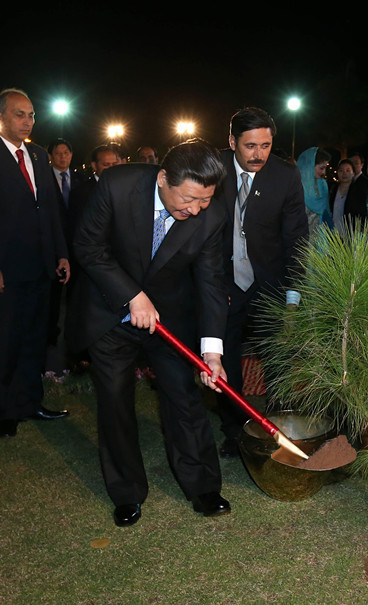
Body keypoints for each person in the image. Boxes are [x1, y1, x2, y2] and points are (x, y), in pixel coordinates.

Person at [68, 139, 231, 526]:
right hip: (110, 311)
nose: (195, 210)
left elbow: (210, 282)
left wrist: (212, 352)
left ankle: (203, 486)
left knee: (184, 398)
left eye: (204, 201)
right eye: (189, 199)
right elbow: (88, 246)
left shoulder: (211, 215)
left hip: (170, 318)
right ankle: (126, 492)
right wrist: (132, 296)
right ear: (162, 178)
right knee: (115, 402)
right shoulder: (118, 185)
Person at [212, 107, 308, 458]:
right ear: (231, 141)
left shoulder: (285, 175)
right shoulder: (213, 167)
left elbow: (297, 237)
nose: (259, 155)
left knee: (278, 360)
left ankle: (280, 426)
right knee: (225, 361)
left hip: (268, 283)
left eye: (266, 145)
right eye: (250, 146)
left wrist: (294, 293)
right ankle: (234, 431)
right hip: (222, 286)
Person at [0, 88, 71, 438]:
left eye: (30, 115)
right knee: (6, 340)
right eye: (19, 114)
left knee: (34, 339)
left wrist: (61, 253)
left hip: (42, 267)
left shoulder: (40, 156)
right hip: (8, 271)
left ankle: (30, 402)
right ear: (2, 116)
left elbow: (53, 212)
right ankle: (4, 411)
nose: (27, 120)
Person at [46, 138, 87, 348]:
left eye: (66, 152)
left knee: (75, 296)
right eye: (58, 153)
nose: (63, 157)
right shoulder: (43, 180)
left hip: (77, 248)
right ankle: (50, 337)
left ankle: (73, 339)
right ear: (51, 156)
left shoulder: (82, 181)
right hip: (52, 248)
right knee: (52, 297)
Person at [297, 146, 332, 242]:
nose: (324, 172)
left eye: (325, 168)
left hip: (319, 236)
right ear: (310, 166)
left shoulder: (323, 184)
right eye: (321, 168)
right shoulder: (296, 185)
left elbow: (326, 212)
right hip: (300, 236)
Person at [329, 158, 355, 233]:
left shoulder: (357, 192)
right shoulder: (332, 189)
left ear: (353, 173)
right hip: (333, 234)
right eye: (341, 170)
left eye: (348, 170)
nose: (344, 173)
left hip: (350, 234)